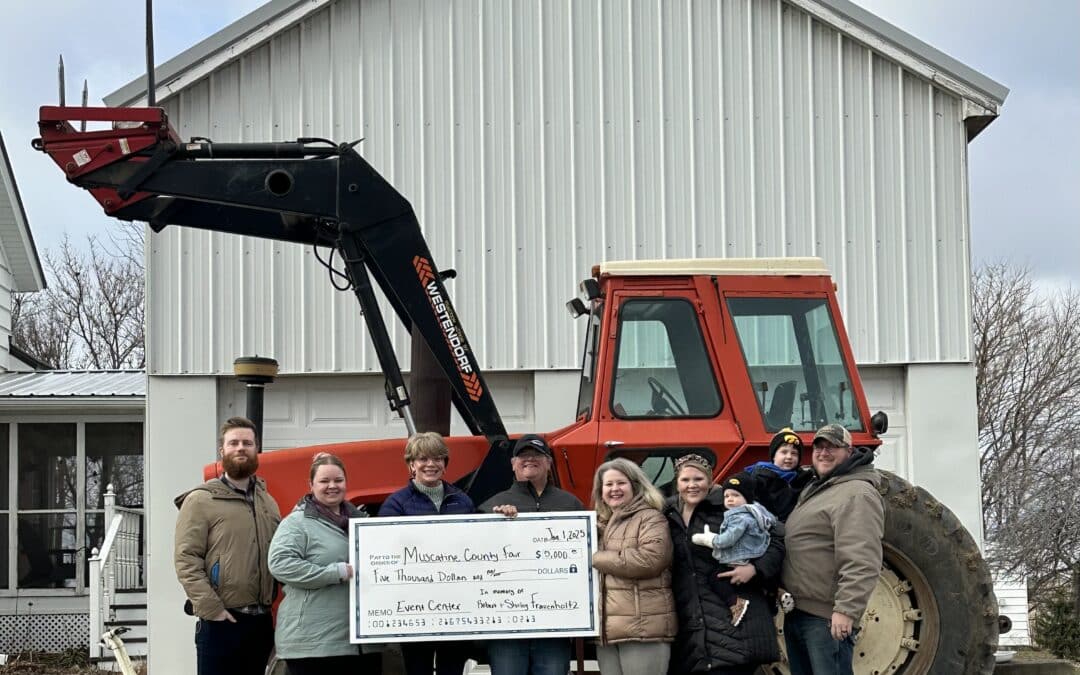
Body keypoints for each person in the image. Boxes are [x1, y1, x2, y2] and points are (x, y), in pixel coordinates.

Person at [174, 416, 281, 675]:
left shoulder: (268, 503)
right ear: (222, 451)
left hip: (261, 623)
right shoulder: (200, 500)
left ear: (257, 449)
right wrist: (213, 609)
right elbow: (186, 560)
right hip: (221, 623)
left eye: (247, 442)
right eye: (234, 443)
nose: (241, 448)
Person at [664, 454, 785, 675]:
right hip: (692, 625)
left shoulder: (732, 506)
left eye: (698, 479)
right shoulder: (667, 514)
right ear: (677, 483)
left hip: (734, 621)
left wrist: (755, 569)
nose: (692, 485)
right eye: (685, 480)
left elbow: (777, 539)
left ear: (710, 481)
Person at [782, 424, 885, 675]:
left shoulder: (856, 493)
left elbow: (862, 558)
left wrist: (846, 610)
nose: (823, 452)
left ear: (849, 452)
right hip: (799, 613)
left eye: (832, 447)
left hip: (826, 619)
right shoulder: (820, 488)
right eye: (819, 447)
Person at [480, 434, 585, 675]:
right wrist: (494, 525)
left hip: (555, 622)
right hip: (506, 625)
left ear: (549, 463)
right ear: (513, 464)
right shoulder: (491, 507)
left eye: (537, 455)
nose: (530, 460)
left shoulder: (572, 506)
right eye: (523, 456)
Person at [379, 432, 476, 675]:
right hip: (414, 607)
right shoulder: (396, 504)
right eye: (423, 459)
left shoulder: (462, 501)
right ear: (411, 464)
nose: (430, 464)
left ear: (445, 463)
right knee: (417, 669)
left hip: (456, 606)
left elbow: (476, 548)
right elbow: (383, 550)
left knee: (452, 670)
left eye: (437, 458)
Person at [268, 452, 367, 674]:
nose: (332, 486)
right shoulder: (297, 523)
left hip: (357, 644)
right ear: (311, 485)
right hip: (311, 644)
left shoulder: (362, 523)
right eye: (324, 481)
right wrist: (336, 572)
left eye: (338, 480)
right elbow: (280, 564)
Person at [590, 458, 676, 675]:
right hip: (607, 633)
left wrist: (596, 558)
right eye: (608, 485)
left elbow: (650, 561)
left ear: (635, 486)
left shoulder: (651, 518)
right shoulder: (597, 526)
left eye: (621, 483)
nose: (614, 489)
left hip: (643, 630)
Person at [690, 472, 776, 627]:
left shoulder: (739, 517)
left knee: (716, 577)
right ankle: (778, 591)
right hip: (752, 553)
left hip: (740, 556)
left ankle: (736, 603)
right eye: (726, 496)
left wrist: (709, 540)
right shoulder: (757, 511)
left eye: (735, 495)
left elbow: (728, 539)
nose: (729, 499)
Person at [743, 428, 813, 521]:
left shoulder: (804, 479)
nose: (789, 457)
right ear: (774, 456)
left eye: (794, 453)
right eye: (784, 452)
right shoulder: (759, 477)